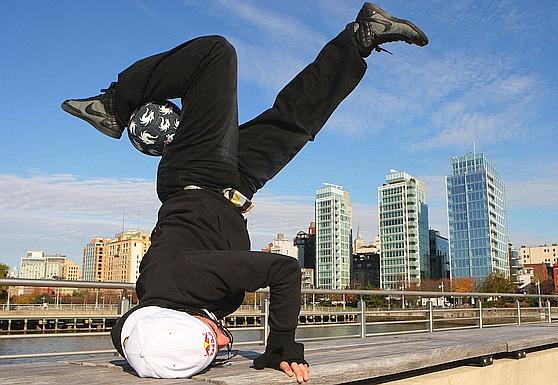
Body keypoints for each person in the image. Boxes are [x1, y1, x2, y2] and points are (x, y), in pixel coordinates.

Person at [61, 2, 428, 383]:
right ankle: (360, 38)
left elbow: (285, 270)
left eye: (213, 342)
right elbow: (126, 335)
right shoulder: (145, 327)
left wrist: (281, 347)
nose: (224, 342)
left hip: (197, 172)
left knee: (215, 55)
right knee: (294, 122)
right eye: (219, 351)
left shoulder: (191, 280)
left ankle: (112, 106)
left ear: (185, 320)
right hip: (233, 185)